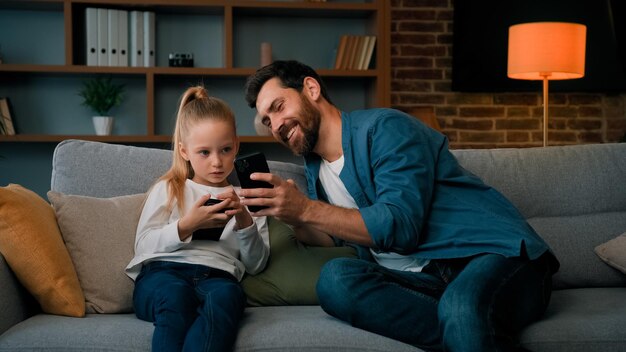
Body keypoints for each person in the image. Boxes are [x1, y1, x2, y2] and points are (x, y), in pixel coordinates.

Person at [240, 60, 559, 351]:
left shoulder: (385, 128)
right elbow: (338, 235)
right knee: (336, 279)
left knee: (461, 307)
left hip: (493, 255)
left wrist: (306, 209)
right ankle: (471, 332)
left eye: (278, 107)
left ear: (311, 89)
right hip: (427, 283)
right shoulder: (316, 169)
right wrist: (293, 216)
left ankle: (466, 325)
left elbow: (400, 226)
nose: (275, 125)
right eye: (267, 121)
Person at [125, 86, 270, 352]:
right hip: (163, 274)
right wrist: (186, 226)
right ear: (184, 151)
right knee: (176, 297)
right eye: (204, 152)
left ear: (236, 146)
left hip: (218, 277)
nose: (217, 162)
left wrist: (244, 221)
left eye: (225, 150)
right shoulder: (170, 188)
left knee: (228, 297)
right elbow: (143, 246)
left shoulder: (246, 198)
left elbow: (256, 264)